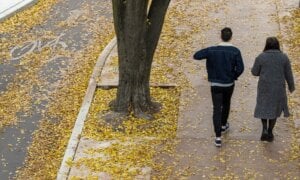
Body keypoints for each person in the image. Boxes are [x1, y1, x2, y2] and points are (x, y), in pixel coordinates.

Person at [193, 27, 244, 147]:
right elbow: (241, 68)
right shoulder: (235, 51)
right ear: (231, 37)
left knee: (216, 108)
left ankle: (218, 137)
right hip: (229, 84)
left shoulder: (212, 50)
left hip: (215, 84)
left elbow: (196, 55)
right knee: (226, 104)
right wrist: (233, 76)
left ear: (220, 36)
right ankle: (223, 124)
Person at [252, 37, 295, 142]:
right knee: (274, 109)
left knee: (264, 107)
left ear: (266, 45)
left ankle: (264, 129)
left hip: (264, 87)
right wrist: (291, 86)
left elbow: (254, 72)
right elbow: (288, 74)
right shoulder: (284, 57)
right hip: (278, 87)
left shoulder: (261, 57)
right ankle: (270, 131)